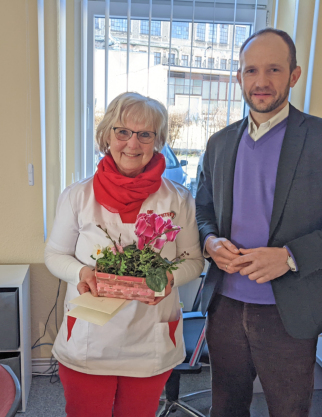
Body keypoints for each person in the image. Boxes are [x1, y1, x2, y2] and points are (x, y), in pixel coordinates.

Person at [195, 28, 322, 417]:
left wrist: (290, 256)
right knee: (226, 407)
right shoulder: (219, 143)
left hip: (288, 311)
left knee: (289, 410)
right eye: (250, 71)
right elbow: (203, 212)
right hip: (225, 305)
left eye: (274, 70)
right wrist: (210, 241)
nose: (261, 82)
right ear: (239, 78)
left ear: (294, 75)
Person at [45, 92, 204, 417]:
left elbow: (193, 260)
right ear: (107, 137)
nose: (133, 143)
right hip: (91, 338)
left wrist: (169, 278)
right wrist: (82, 274)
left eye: (145, 134)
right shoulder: (78, 196)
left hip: (151, 337)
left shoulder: (178, 199)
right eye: (123, 132)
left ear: (157, 141)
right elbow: (55, 255)